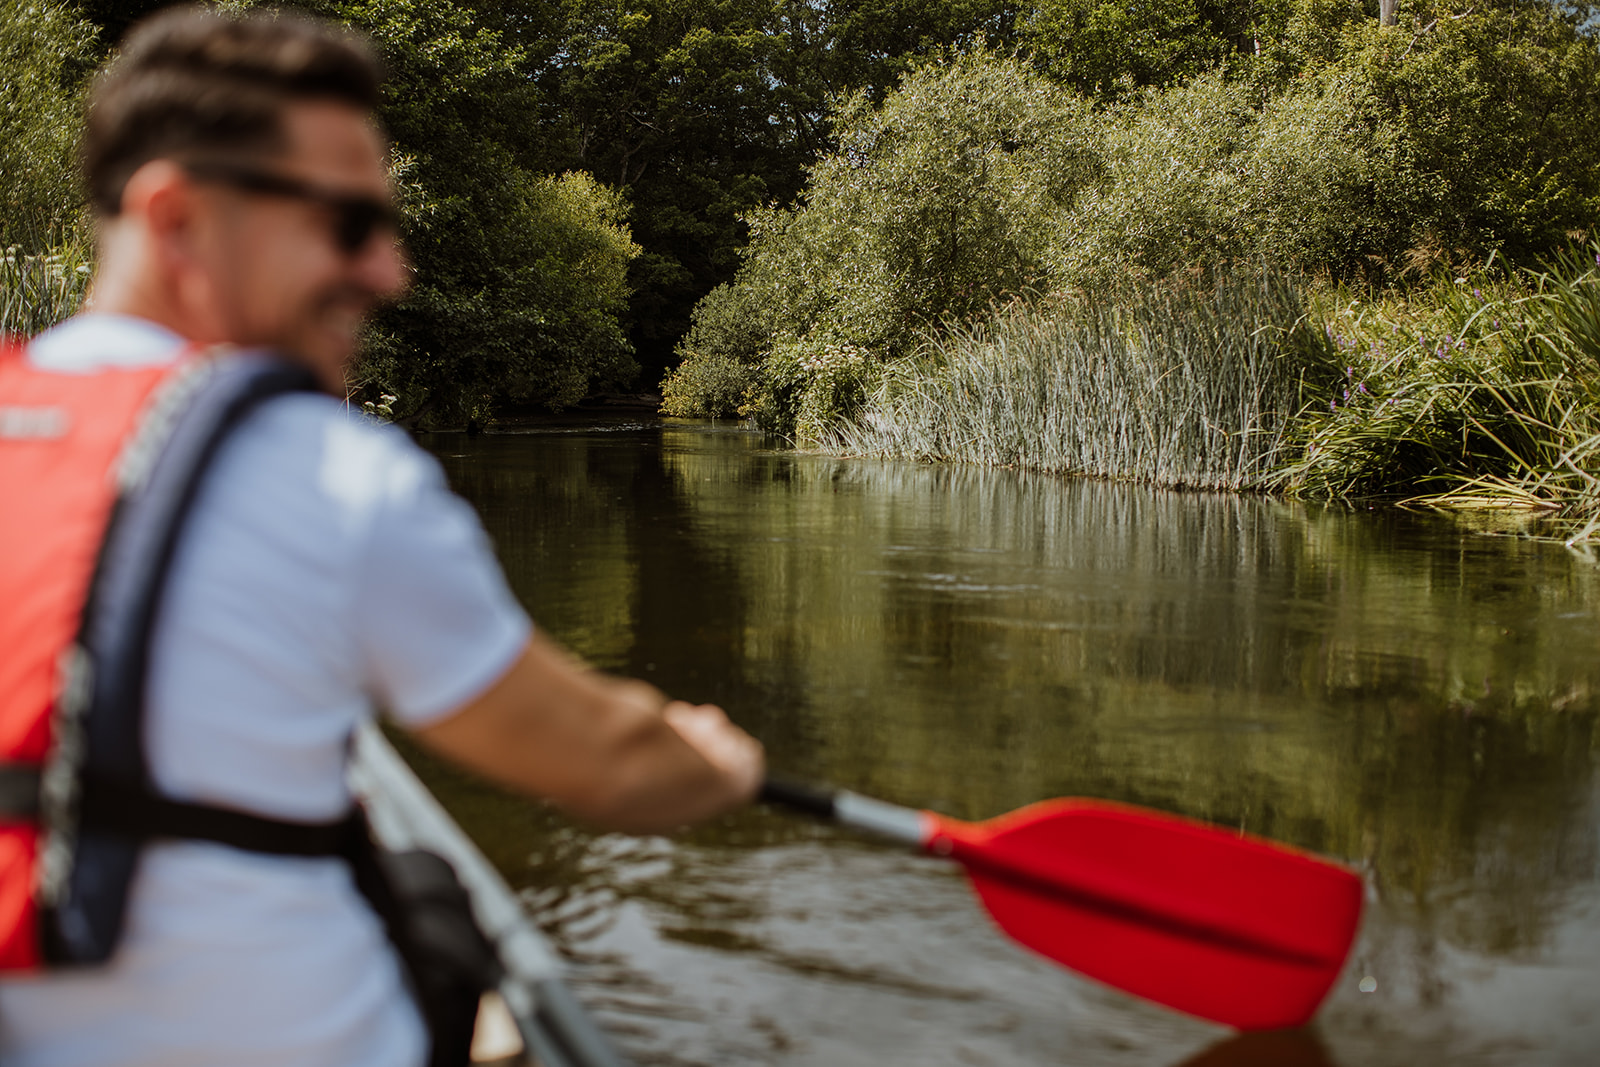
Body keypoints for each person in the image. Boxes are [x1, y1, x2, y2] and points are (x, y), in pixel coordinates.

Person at [0, 6, 763, 1065]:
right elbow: (615, 766)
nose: (387, 273)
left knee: (419, 885)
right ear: (174, 216)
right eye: (351, 225)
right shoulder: (329, 471)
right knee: (432, 902)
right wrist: (716, 764)